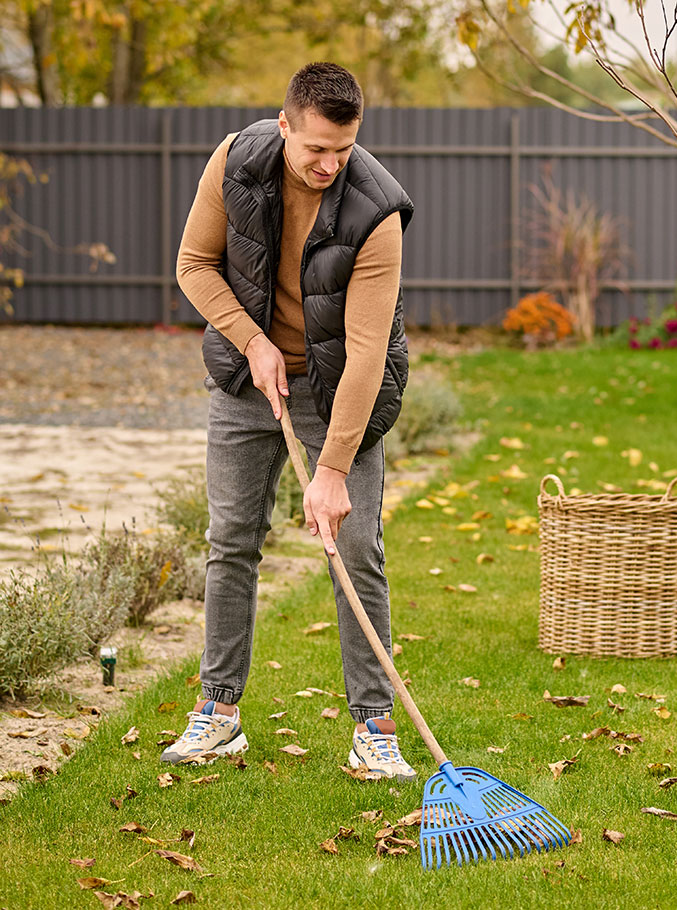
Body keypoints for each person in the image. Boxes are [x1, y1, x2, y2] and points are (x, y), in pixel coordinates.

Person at [167, 62, 415, 781]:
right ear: (284, 126)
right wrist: (253, 341)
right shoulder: (235, 160)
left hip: (340, 386)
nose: (329, 164)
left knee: (356, 549)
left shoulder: (377, 213)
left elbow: (368, 352)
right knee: (231, 540)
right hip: (249, 375)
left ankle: (375, 730)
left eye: (343, 148)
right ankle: (218, 716)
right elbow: (193, 265)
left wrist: (332, 469)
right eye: (315, 149)